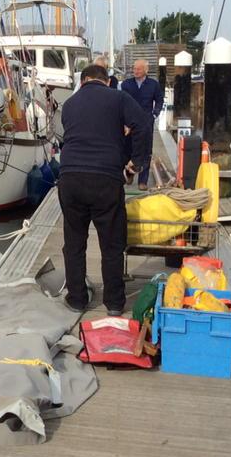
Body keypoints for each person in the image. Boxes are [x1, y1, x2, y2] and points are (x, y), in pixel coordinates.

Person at [57, 63, 149, 317]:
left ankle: (77, 299)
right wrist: (135, 162)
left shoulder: (70, 104)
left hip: (70, 177)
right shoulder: (119, 97)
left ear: (83, 81)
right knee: (111, 244)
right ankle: (115, 303)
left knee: (74, 242)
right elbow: (143, 124)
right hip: (106, 179)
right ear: (107, 81)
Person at [120, 59, 163, 189]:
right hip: (129, 123)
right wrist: (123, 121)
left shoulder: (153, 84)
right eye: (134, 68)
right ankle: (129, 173)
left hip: (146, 123)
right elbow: (121, 103)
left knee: (146, 151)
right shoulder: (126, 84)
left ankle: (142, 181)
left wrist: (154, 114)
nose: (136, 71)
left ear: (146, 70)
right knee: (128, 149)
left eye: (138, 69)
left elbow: (159, 100)